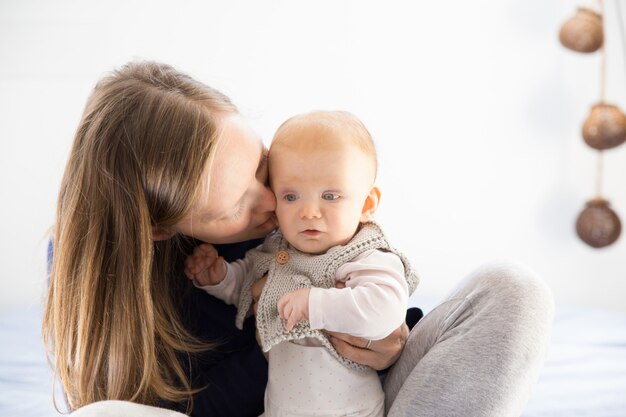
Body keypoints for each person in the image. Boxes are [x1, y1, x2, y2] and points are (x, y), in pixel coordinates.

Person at [43, 61, 554, 417]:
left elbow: (355, 279)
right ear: (160, 229)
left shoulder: (293, 202)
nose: (273, 205)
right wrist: (276, 335)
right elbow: (177, 409)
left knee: (513, 290)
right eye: (235, 207)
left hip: (358, 401)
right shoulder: (102, 274)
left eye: (262, 168)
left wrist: (392, 338)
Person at [184, 110, 418, 416]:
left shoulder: (364, 253)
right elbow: (248, 285)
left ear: (367, 204)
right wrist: (220, 277)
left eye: (330, 196)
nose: (309, 212)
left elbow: (385, 309)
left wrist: (315, 303)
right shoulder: (278, 249)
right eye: (291, 196)